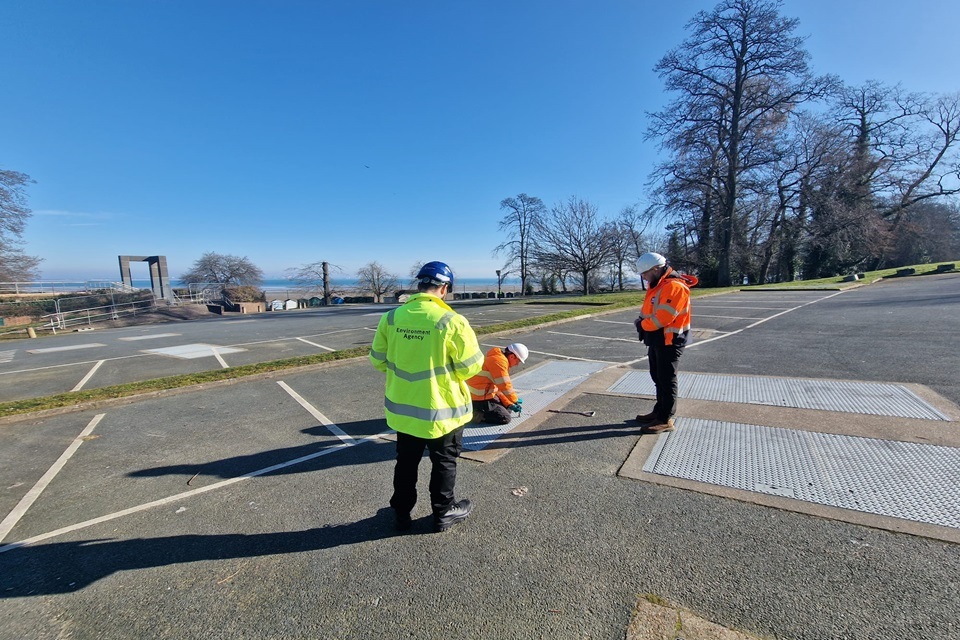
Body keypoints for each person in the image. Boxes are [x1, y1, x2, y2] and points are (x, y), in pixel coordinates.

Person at [369, 260, 484, 533]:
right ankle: (443, 512)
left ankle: (401, 512)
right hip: (443, 411)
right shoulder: (452, 321)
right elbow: (470, 367)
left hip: (405, 410)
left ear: (420, 286)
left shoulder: (393, 317)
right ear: (444, 288)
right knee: (444, 461)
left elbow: (378, 360)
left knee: (406, 462)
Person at [633, 252, 698, 434]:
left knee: (667, 379)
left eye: (645, 273)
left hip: (670, 340)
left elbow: (664, 317)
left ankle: (665, 418)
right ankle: (659, 411)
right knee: (657, 376)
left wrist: (642, 324)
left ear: (656, 269)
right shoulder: (658, 284)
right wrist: (644, 324)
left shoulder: (674, 286)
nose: (643, 277)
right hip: (657, 338)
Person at [467, 343, 529, 425]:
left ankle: (480, 411)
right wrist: (515, 400)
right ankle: (476, 414)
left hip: (486, 395)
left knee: (508, 409)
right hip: (479, 399)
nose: (517, 364)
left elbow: (499, 388)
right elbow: (505, 386)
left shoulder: (498, 359)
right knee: (505, 418)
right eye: (518, 361)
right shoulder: (499, 362)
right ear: (512, 356)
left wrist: (509, 403)